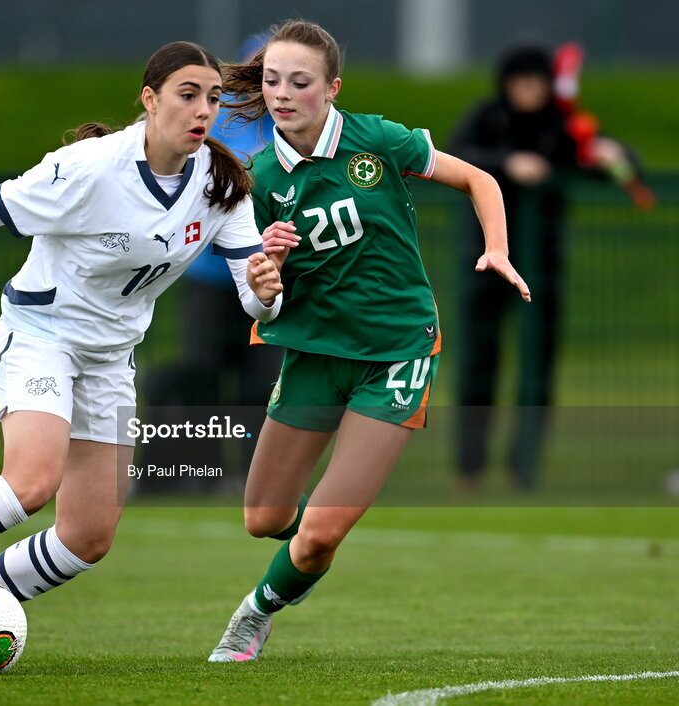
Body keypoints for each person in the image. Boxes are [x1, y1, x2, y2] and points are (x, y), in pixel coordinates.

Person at [0, 40, 284, 655]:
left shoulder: (221, 185)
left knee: (87, 538)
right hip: (42, 337)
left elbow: (255, 304)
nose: (203, 109)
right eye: (186, 95)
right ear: (149, 101)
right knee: (31, 481)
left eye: (211, 98)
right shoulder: (91, 169)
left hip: (110, 357)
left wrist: (266, 291)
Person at [204, 20, 530, 663]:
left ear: (332, 89)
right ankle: (313, 544)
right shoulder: (262, 177)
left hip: (396, 351)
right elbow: (262, 291)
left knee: (321, 529)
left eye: (300, 82)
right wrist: (266, 275)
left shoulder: (376, 140)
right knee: (265, 520)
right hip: (315, 356)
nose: (283, 93)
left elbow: (481, 181)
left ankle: (255, 612)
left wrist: (495, 248)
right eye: (272, 81)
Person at [449, 43, 634, 491]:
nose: (529, 90)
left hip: (543, 266)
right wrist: (507, 164)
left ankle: (522, 467)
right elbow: (453, 153)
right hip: (486, 262)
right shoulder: (487, 118)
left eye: (537, 81)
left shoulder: (565, 124)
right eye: (521, 81)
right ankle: (470, 468)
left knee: (538, 371)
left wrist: (613, 156)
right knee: (478, 364)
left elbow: (612, 161)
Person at [141, 33, 280, 494]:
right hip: (208, 277)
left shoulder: (291, 125)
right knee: (203, 375)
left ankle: (251, 473)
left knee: (261, 379)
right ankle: (200, 471)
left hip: (265, 277)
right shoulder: (215, 122)